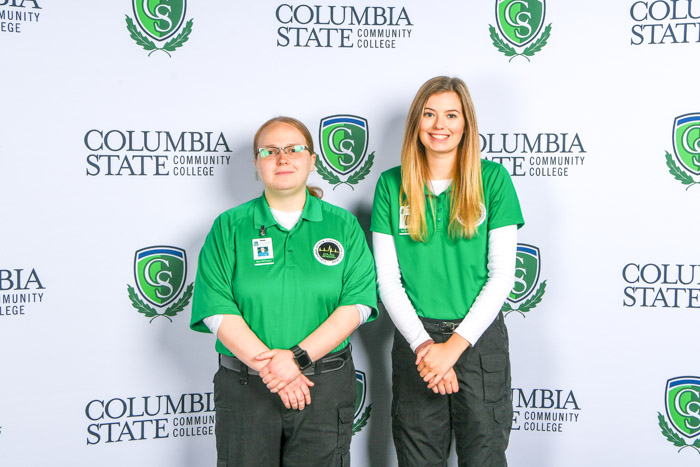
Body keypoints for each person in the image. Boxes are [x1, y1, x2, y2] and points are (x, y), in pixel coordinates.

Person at [190, 116, 378, 466]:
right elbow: (216, 308)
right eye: (270, 151)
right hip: (246, 390)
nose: (283, 158)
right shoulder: (229, 226)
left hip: (323, 390)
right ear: (257, 163)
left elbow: (358, 304)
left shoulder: (343, 225)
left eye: (294, 149)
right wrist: (275, 371)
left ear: (312, 160)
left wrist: (296, 361)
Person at [371, 76, 524, 466]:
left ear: (466, 123)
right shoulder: (391, 185)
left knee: (484, 457)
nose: (440, 126)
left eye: (451, 115)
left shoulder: (493, 180)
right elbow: (388, 279)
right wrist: (426, 348)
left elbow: (501, 276)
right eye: (430, 114)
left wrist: (452, 348)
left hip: (478, 340)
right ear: (416, 123)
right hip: (415, 339)